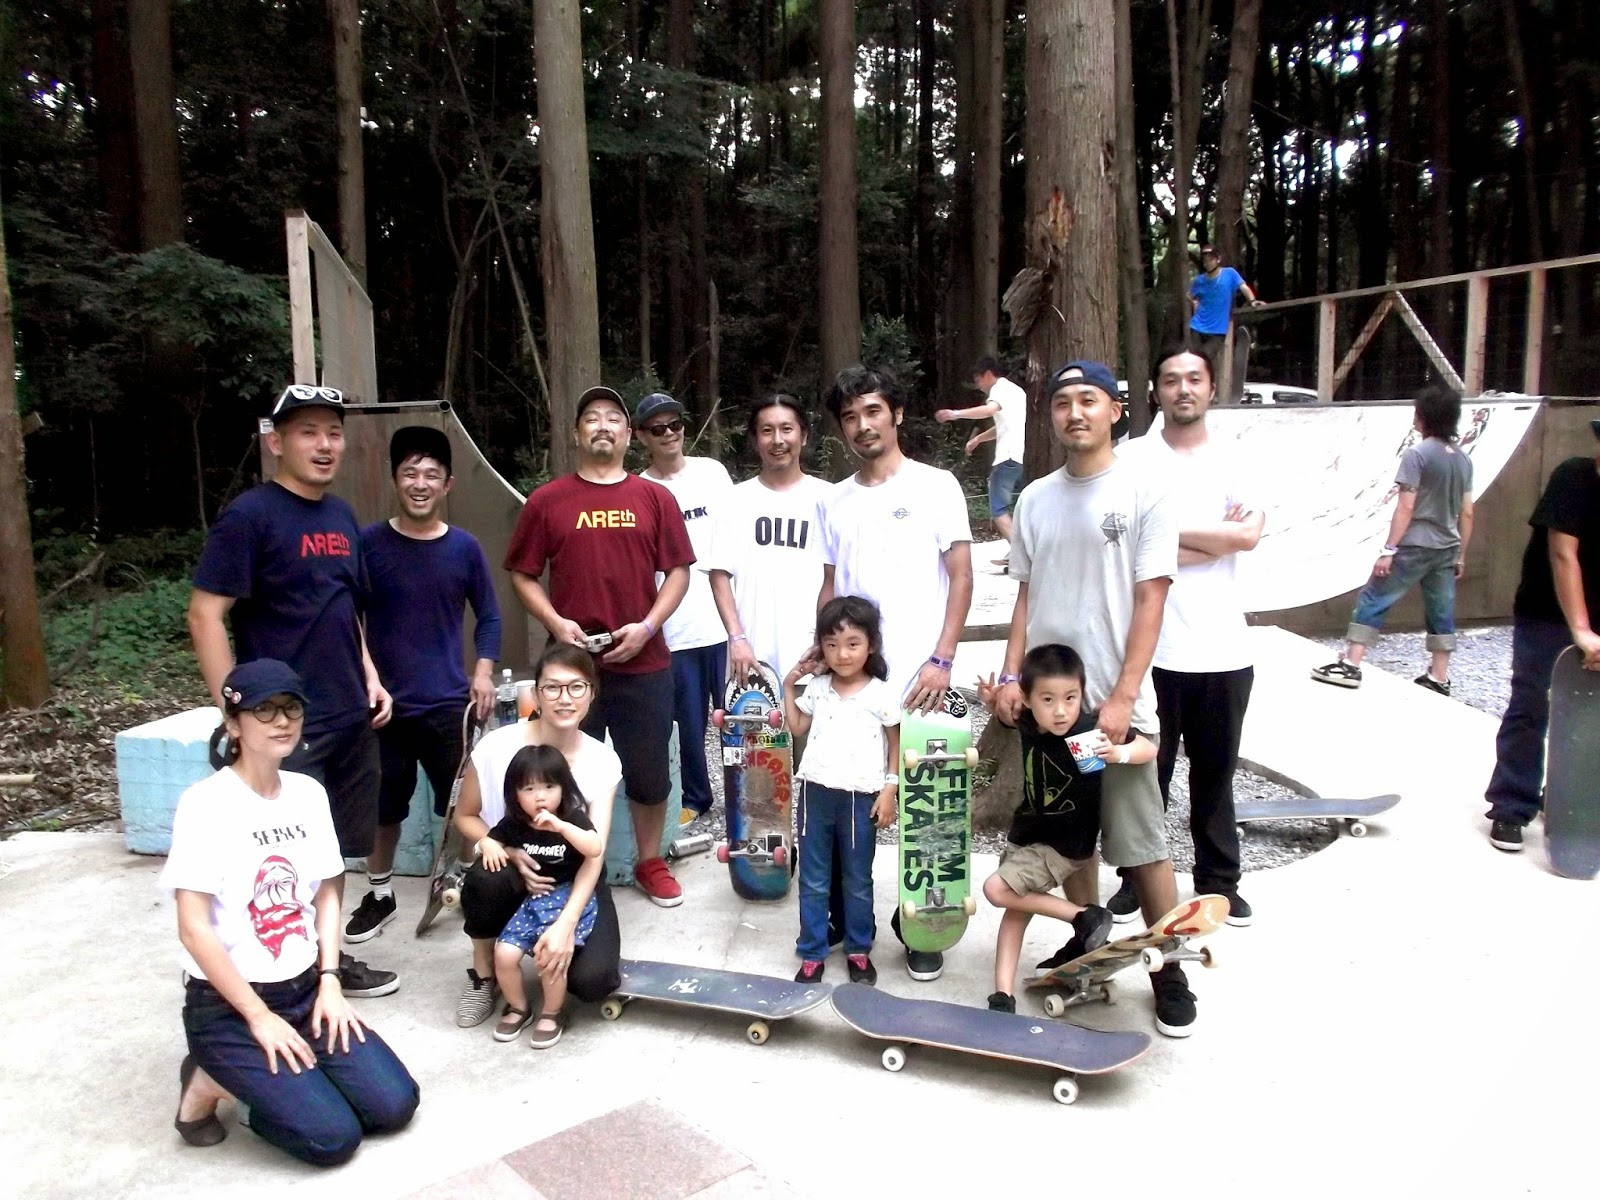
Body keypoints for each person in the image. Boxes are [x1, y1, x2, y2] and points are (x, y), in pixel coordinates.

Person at [992, 361, 1195, 1037]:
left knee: (1142, 844)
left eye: (1089, 400)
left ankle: (1169, 968)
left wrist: (1125, 695)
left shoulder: (1145, 492)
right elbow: (1026, 595)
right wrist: (1011, 677)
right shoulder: (1034, 499)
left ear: (1115, 410)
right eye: (1062, 402)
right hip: (1050, 708)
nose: (1075, 412)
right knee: (1069, 838)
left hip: (1112, 704)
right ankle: (1086, 941)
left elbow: (1152, 598)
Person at [162, 659, 418, 1166]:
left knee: (394, 1106)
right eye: (264, 710)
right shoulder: (205, 804)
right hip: (229, 1007)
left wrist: (330, 981)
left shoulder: (307, 794)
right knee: (332, 1139)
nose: (282, 721)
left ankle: (287, 1078)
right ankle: (210, 1079)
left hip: (304, 990)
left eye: (291, 708)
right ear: (234, 724)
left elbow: (327, 890)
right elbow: (193, 929)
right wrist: (257, 1017)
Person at [187, 384, 398, 998]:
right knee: (281, 853)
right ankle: (281, 968)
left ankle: (323, 959)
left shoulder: (341, 517)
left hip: (348, 711)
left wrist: (370, 675)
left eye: (333, 432)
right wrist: (235, 710)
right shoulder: (249, 517)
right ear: (276, 442)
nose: (324, 444)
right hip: (283, 720)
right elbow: (205, 614)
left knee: (331, 849)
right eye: (308, 432)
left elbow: (346, 607)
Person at [505, 385, 694, 906]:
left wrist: (648, 627)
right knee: (561, 770)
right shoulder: (548, 501)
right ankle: (565, 868)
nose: (603, 426)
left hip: (643, 659)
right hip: (571, 666)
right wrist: (555, 621)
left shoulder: (654, 498)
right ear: (576, 433)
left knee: (649, 770)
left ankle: (649, 861)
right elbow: (522, 574)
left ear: (629, 435)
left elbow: (679, 572)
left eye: (613, 418)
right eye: (592, 418)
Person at [818, 365, 974, 983]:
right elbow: (830, 588)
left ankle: (922, 926)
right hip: (856, 683)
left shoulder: (936, 486)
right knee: (847, 797)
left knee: (926, 807)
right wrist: (820, 654)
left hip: (922, 677)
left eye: (873, 411)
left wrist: (943, 658)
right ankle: (841, 917)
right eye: (850, 417)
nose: (862, 425)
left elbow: (961, 576)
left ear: (897, 414)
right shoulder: (833, 500)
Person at [1117, 346, 1264, 927]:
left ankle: (1219, 881)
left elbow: (1247, 537)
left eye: (1194, 378)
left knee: (1215, 775)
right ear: (1156, 390)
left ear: (1210, 387)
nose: (1183, 388)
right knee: (1143, 777)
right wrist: (1214, 538)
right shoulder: (1132, 459)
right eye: (1171, 379)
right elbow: (1128, 542)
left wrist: (1165, 538)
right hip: (1151, 648)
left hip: (1224, 647)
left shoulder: (1236, 458)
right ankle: (1136, 882)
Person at [347, 426, 502, 943]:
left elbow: (490, 616)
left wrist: (483, 672)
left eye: (431, 474)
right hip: (384, 707)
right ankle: (380, 893)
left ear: (447, 484)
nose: (420, 483)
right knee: (384, 807)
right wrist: (368, 677)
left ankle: (458, 880)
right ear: (396, 479)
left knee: (461, 807)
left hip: (448, 706)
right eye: (410, 473)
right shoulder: (368, 545)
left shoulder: (464, 548)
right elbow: (349, 616)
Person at [448, 643, 623, 1028]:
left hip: (572, 877)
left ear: (591, 693)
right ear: (537, 694)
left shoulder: (602, 760)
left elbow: (594, 854)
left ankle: (547, 946)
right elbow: (465, 815)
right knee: (484, 878)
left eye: (576, 687)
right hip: (514, 869)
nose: (565, 698)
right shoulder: (496, 746)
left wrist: (566, 924)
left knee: (594, 982)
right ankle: (484, 973)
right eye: (552, 688)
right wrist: (506, 850)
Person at [975, 644, 1147, 1013]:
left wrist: (1118, 754)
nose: (1060, 710)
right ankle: (1003, 994)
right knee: (1016, 908)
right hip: (1026, 835)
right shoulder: (1027, 722)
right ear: (1028, 699)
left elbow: (1148, 748)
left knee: (996, 889)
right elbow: (1006, 716)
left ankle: (1084, 918)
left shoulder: (1087, 732)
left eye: (1071, 698)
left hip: (1064, 846)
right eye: (1048, 699)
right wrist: (991, 701)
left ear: (1082, 695)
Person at [1484, 419, 1600, 851]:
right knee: (1532, 702)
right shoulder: (1573, 478)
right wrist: (1581, 630)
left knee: (1590, 713)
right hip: (1546, 613)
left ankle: (1567, 796)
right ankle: (1511, 806)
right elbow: (1562, 553)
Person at [1312, 386, 1475, 695]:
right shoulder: (1463, 460)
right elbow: (1467, 512)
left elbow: (1406, 507)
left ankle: (1351, 664)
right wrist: (1461, 555)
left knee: (1374, 596)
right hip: (1447, 547)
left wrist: (1388, 550)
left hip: (1414, 544)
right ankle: (1439, 677)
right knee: (1441, 610)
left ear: (1424, 417)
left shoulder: (1417, 455)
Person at [782, 596, 901, 986]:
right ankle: (813, 951)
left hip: (860, 798)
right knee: (814, 878)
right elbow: (797, 727)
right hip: (816, 794)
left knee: (857, 879)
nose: (842, 654)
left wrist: (889, 790)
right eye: (831, 644)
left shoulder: (881, 693)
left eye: (852, 643)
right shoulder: (818, 687)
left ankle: (858, 950)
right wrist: (789, 683)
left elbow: (895, 743)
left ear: (871, 645)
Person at [633, 392, 735, 826]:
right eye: (657, 428)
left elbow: (735, 538)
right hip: (675, 627)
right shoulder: (639, 489)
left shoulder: (713, 473)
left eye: (675, 424)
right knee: (688, 724)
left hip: (726, 621)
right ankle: (695, 796)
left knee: (739, 716)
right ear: (641, 436)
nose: (669, 433)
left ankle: (746, 795)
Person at [707, 394, 834, 684]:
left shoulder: (829, 499)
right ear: (755, 440)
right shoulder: (733, 500)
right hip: (751, 660)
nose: (778, 440)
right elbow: (718, 575)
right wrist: (737, 638)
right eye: (767, 430)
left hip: (814, 660)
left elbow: (836, 578)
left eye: (787, 429)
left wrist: (828, 641)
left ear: (804, 436)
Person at [485, 745, 603, 1047]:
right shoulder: (514, 823)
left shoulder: (572, 817)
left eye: (549, 787)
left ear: (564, 787)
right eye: (529, 788)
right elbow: (490, 839)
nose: (540, 797)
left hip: (568, 898)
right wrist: (490, 846)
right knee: (504, 953)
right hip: (534, 901)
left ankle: (552, 1012)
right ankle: (518, 1007)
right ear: (515, 794)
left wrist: (562, 827)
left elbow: (594, 848)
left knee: (549, 957)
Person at [935, 356, 1027, 567]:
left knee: (998, 509)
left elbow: (988, 410)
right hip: (1019, 457)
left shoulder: (1000, 389)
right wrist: (978, 439)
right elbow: (1003, 427)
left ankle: (1021, 555)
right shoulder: (1016, 392)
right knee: (1011, 507)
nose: (978, 386)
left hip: (1007, 457)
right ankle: (1019, 551)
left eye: (978, 380)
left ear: (987, 374)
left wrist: (955, 414)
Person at [1188, 244, 1263, 404]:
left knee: (1204, 359)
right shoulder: (1200, 280)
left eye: (1210, 259)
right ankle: (1199, 394)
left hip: (1217, 330)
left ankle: (1208, 393)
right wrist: (1194, 303)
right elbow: (1190, 295)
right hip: (1197, 326)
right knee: (1194, 361)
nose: (1207, 263)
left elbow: (1243, 287)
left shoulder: (1229, 274)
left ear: (1218, 259)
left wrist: (1252, 301)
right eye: (1205, 260)